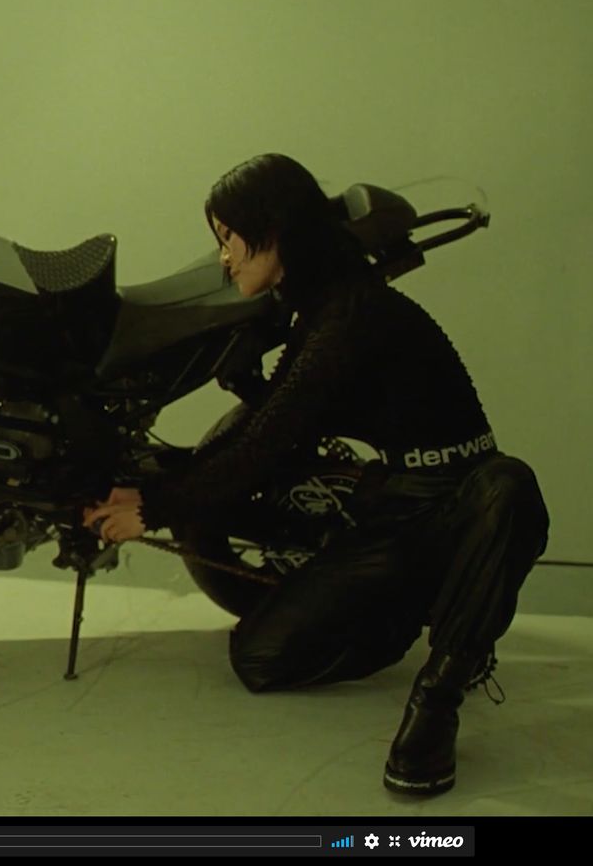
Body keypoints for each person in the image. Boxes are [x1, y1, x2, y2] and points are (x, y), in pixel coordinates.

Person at [84, 154, 551, 796]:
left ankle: (441, 689)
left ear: (275, 232)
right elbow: (264, 428)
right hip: (395, 507)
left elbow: (267, 445)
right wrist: (156, 492)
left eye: (229, 239)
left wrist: (158, 509)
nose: (223, 259)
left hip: (464, 498)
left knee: (512, 486)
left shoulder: (356, 315)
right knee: (259, 658)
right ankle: (435, 607)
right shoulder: (317, 311)